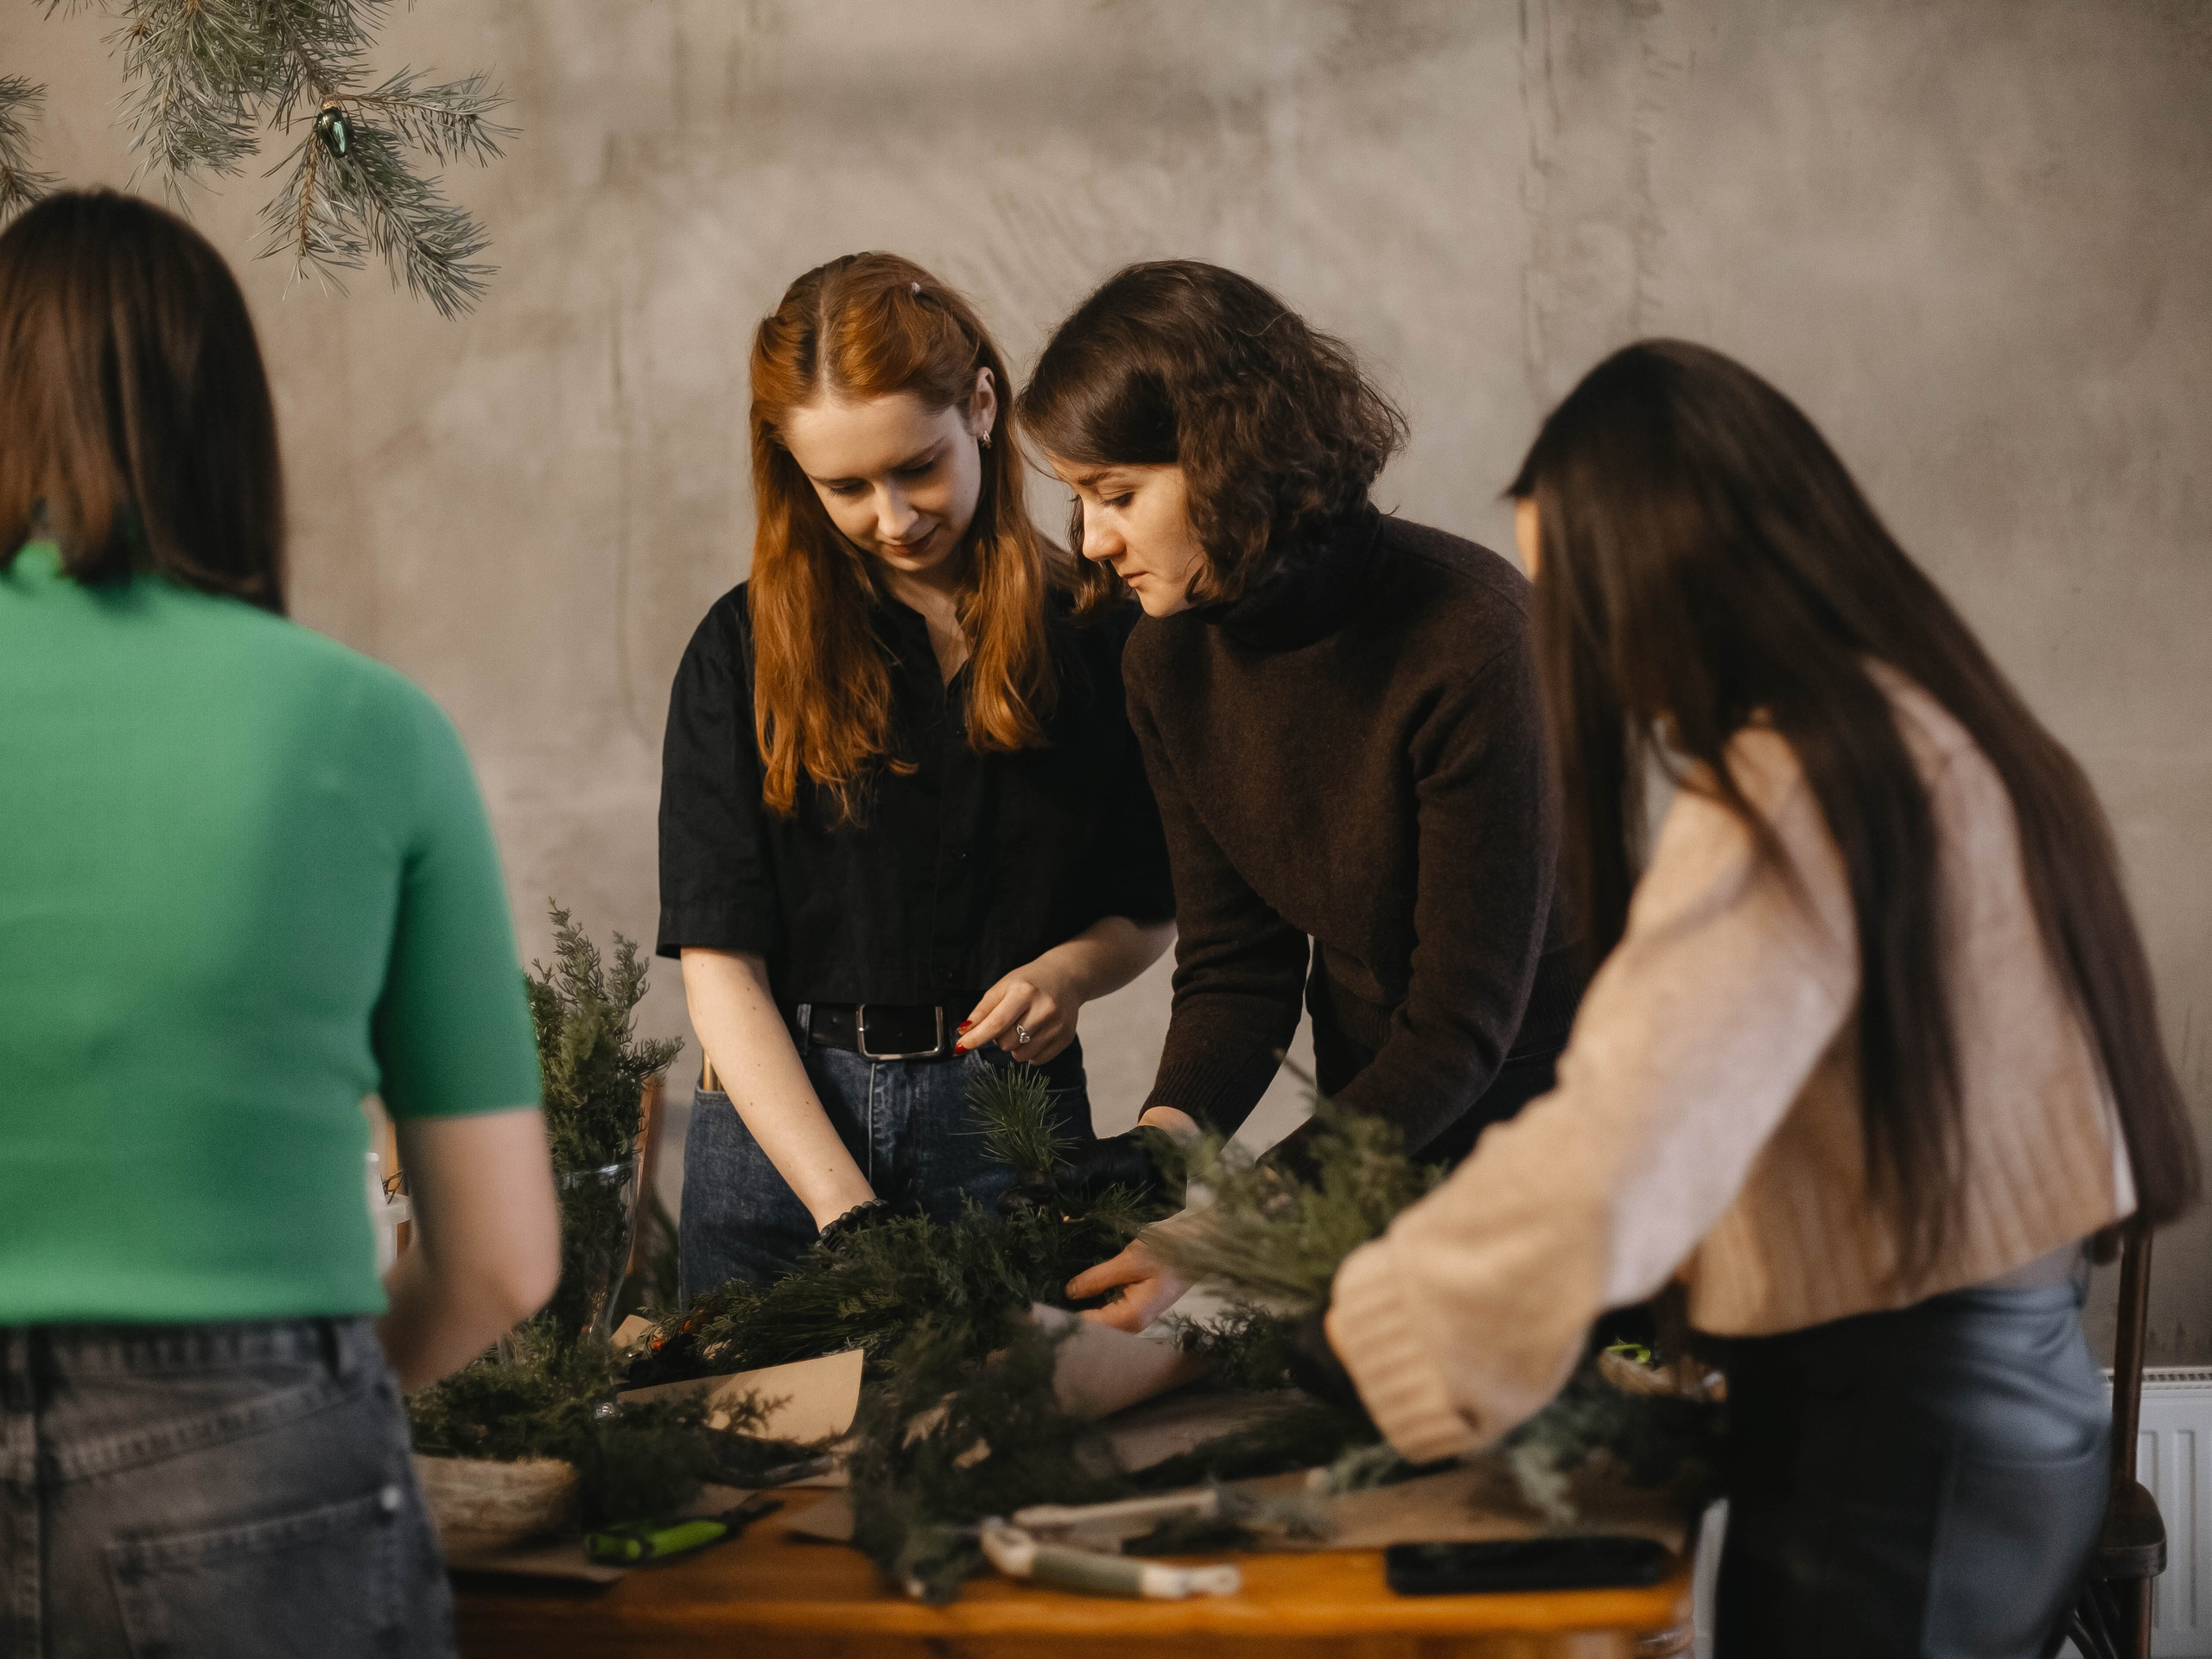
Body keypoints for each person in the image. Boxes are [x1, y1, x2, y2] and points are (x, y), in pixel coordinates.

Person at [1321, 340, 2199, 1656]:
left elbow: (1629, 1132)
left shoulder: (1804, 792)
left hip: (1905, 1451)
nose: (1578, 653)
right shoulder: (1920, 724)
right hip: (1996, 1415)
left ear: (1678, 570)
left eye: (1583, 602)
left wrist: (1370, 1330)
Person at [0, 192, 560, 1656]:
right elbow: (503, 1258)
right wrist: (291, 1399)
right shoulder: (367, 727)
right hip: (248, 1459)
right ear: (227, 424)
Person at [1019, 260, 1588, 1332]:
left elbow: (1462, 1026)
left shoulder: (1474, 643)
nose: (1090, 541)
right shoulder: (1164, 662)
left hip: (1552, 1148)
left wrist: (1236, 1227)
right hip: (1373, 1124)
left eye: (1118, 496)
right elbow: (1240, 962)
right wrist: (1164, 1145)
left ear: (1224, 458)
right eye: (1080, 499)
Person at [658, 252, 1176, 1298]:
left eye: (917, 467)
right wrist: (844, 1213)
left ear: (981, 405)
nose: (892, 517)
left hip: (1006, 1126)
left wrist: (1068, 974)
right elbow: (719, 963)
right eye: (844, 487)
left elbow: (1149, 906)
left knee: (1011, 1443)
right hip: (778, 1143)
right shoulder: (740, 648)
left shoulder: (1102, 631)